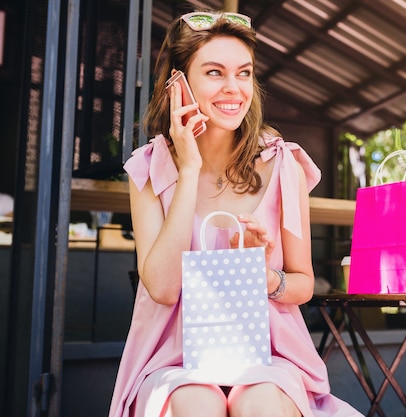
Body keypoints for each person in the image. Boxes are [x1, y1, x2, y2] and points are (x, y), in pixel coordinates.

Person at [108, 10, 363, 417]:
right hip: (175, 360)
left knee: (258, 399)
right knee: (196, 402)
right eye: (214, 72)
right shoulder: (150, 167)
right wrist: (187, 170)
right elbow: (162, 288)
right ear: (178, 84)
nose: (234, 89)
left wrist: (262, 276)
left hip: (268, 355)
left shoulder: (283, 165)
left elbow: (303, 283)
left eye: (243, 73)